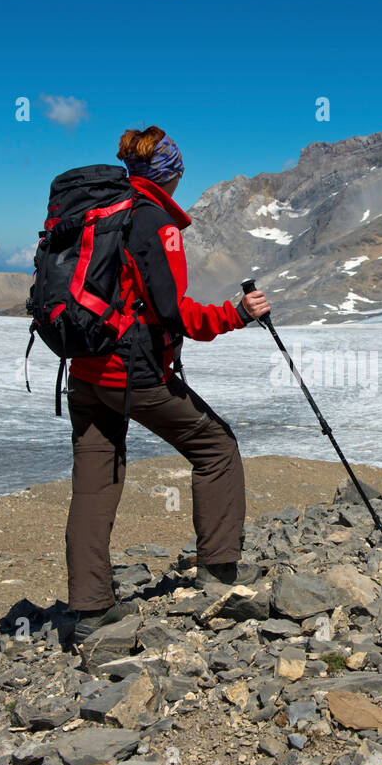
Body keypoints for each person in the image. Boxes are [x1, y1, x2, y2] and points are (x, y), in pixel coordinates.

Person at [65, 126, 269, 645]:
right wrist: (237, 314)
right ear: (171, 172)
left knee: (95, 483)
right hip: (129, 373)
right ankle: (219, 569)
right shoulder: (154, 221)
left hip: (83, 368)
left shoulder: (99, 212)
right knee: (216, 445)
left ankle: (90, 610)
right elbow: (173, 313)